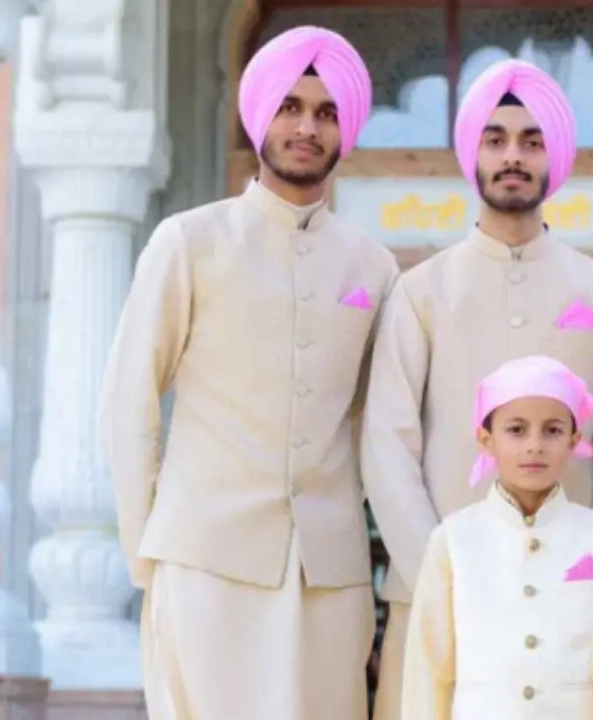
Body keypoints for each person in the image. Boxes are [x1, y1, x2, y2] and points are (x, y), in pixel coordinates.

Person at [99, 25, 397, 720]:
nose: (306, 126)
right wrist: (151, 552)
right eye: (291, 106)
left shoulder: (373, 267)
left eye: (326, 112)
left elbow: (384, 426)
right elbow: (128, 401)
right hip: (206, 561)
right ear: (259, 114)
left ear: (344, 130)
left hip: (331, 574)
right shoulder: (190, 242)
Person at [361, 59, 593, 720]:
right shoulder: (422, 292)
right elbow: (387, 447)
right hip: (438, 605)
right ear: (473, 155)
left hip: (570, 617)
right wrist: (444, 578)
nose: (513, 155)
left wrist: (589, 574)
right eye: (496, 139)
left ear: (554, 156)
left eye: (531, 139)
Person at [400, 355, 593, 720]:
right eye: (516, 430)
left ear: (574, 439)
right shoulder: (453, 541)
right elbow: (429, 672)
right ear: (486, 440)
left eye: (552, 430)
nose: (535, 445)